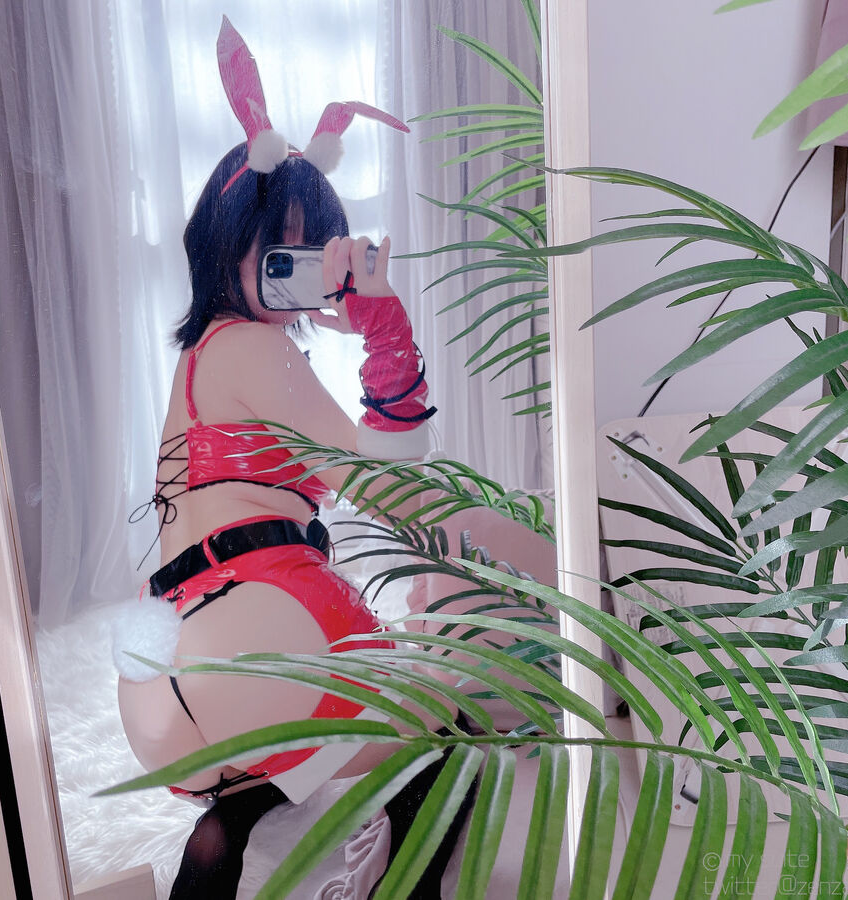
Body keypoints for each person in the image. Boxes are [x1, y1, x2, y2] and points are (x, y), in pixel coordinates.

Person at [115, 17, 542, 898]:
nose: (294, 266)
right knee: (452, 726)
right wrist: (385, 330)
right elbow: (388, 483)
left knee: (251, 790)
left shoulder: (199, 356)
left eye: (309, 250)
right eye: (276, 246)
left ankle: (227, 826)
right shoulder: (256, 347)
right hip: (261, 617)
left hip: (163, 667)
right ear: (224, 243)